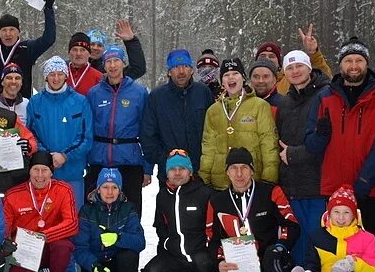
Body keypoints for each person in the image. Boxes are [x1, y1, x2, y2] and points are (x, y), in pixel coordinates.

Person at [304, 36, 375, 272]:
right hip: (334, 189)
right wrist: (319, 134)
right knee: (333, 250)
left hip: (370, 188)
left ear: (366, 64)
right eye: (348, 61)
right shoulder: (326, 97)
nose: (353, 66)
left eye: (358, 60)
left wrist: (363, 184)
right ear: (341, 64)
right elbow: (312, 143)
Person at [205, 147, 299, 272]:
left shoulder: (271, 192)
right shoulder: (217, 201)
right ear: (226, 172)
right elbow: (212, 238)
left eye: (244, 167)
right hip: (238, 263)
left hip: (267, 259)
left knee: (276, 267)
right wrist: (219, 261)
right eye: (233, 168)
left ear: (252, 170)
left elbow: (292, 225)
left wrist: (279, 247)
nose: (239, 173)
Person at [273, 50, 332, 272]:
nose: (295, 71)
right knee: (297, 235)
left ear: (309, 68)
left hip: (317, 181)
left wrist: (294, 154)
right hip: (292, 182)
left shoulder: (324, 95)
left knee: (318, 237)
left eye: (299, 66)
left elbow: (324, 139)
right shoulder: (285, 103)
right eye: (290, 68)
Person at [2, 151, 80, 272]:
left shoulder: (64, 190)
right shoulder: (13, 194)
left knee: (63, 245)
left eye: (44, 170)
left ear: (52, 171)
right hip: (25, 251)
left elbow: (72, 224)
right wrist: (6, 241)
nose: (39, 175)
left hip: (50, 246)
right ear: (29, 171)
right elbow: (4, 227)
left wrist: (43, 236)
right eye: (35, 170)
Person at [86, 45, 152, 214]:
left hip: (129, 160)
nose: (113, 65)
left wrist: (147, 167)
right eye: (109, 61)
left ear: (123, 64)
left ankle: (130, 240)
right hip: (99, 160)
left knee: (130, 211)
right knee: (96, 211)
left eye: (116, 61)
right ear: (104, 65)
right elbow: (87, 128)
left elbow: (148, 130)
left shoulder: (138, 92)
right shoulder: (94, 93)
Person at [141, 150, 214, 272]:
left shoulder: (204, 193)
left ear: (190, 171)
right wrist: (167, 246)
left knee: (204, 262)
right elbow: (161, 227)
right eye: (173, 169)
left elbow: (213, 227)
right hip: (176, 255)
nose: (178, 173)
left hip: (200, 253)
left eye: (182, 169)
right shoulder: (163, 196)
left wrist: (207, 247)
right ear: (167, 173)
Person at [74, 168, 145, 272]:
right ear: (98, 189)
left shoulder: (128, 209)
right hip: (96, 260)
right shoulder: (87, 211)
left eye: (114, 187)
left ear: (120, 190)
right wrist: (94, 265)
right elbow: (80, 248)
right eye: (105, 187)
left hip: (119, 262)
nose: (110, 192)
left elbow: (140, 241)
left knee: (129, 255)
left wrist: (118, 238)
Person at [199, 59, 278, 189]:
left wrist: (269, 179)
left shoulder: (260, 106)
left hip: (251, 181)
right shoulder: (213, 111)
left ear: (243, 78)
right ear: (222, 81)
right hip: (221, 183)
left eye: (235, 73)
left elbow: (269, 145)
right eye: (226, 75)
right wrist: (204, 178)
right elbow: (208, 148)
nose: (231, 78)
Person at [26, 57, 92, 207]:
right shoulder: (35, 102)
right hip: (44, 175)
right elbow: (30, 135)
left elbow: (85, 138)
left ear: (66, 75)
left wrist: (64, 155)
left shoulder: (80, 101)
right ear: (46, 77)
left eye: (60, 74)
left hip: (72, 172)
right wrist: (47, 156)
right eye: (52, 74)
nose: (56, 78)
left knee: (72, 218)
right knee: (45, 219)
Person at [142, 49, 214, 185]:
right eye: (176, 67)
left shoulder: (203, 92)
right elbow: (148, 136)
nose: (181, 71)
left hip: (201, 172)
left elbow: (213, 130)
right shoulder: (157, 97)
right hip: (169, 172)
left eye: (185, 66)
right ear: (169, 72)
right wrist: (166, 159)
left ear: (192, 70)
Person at [0, 0, 57, 97]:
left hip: (22, 105)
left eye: (12, 29)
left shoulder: (27, 48)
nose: (8, 34)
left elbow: (49, 39)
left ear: (19, 31)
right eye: (4, 30)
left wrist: (49, 8)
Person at [257, 25, 333, 94]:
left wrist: (313, 53)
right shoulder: (251, 85)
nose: (267, 59)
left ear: (279, 62)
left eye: (271, 56)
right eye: (262, 56)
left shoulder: (290, 77)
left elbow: (324, 76)